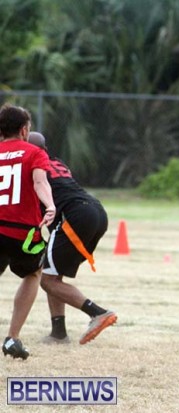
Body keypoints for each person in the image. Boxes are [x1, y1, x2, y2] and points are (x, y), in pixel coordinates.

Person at [28, 132, 117, 345]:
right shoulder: (57, 162)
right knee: (52, 273)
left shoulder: (33, 167)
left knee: (48, 281)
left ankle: (98, 313)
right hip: (95, 210)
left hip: (76, 215)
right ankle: (58, 332)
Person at [0, 104, 56, 360]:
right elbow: (39, 182)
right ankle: (13, 337)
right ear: (24, 130)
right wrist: (50, 205)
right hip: (21, 232)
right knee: (33, 273)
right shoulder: (34, 152)